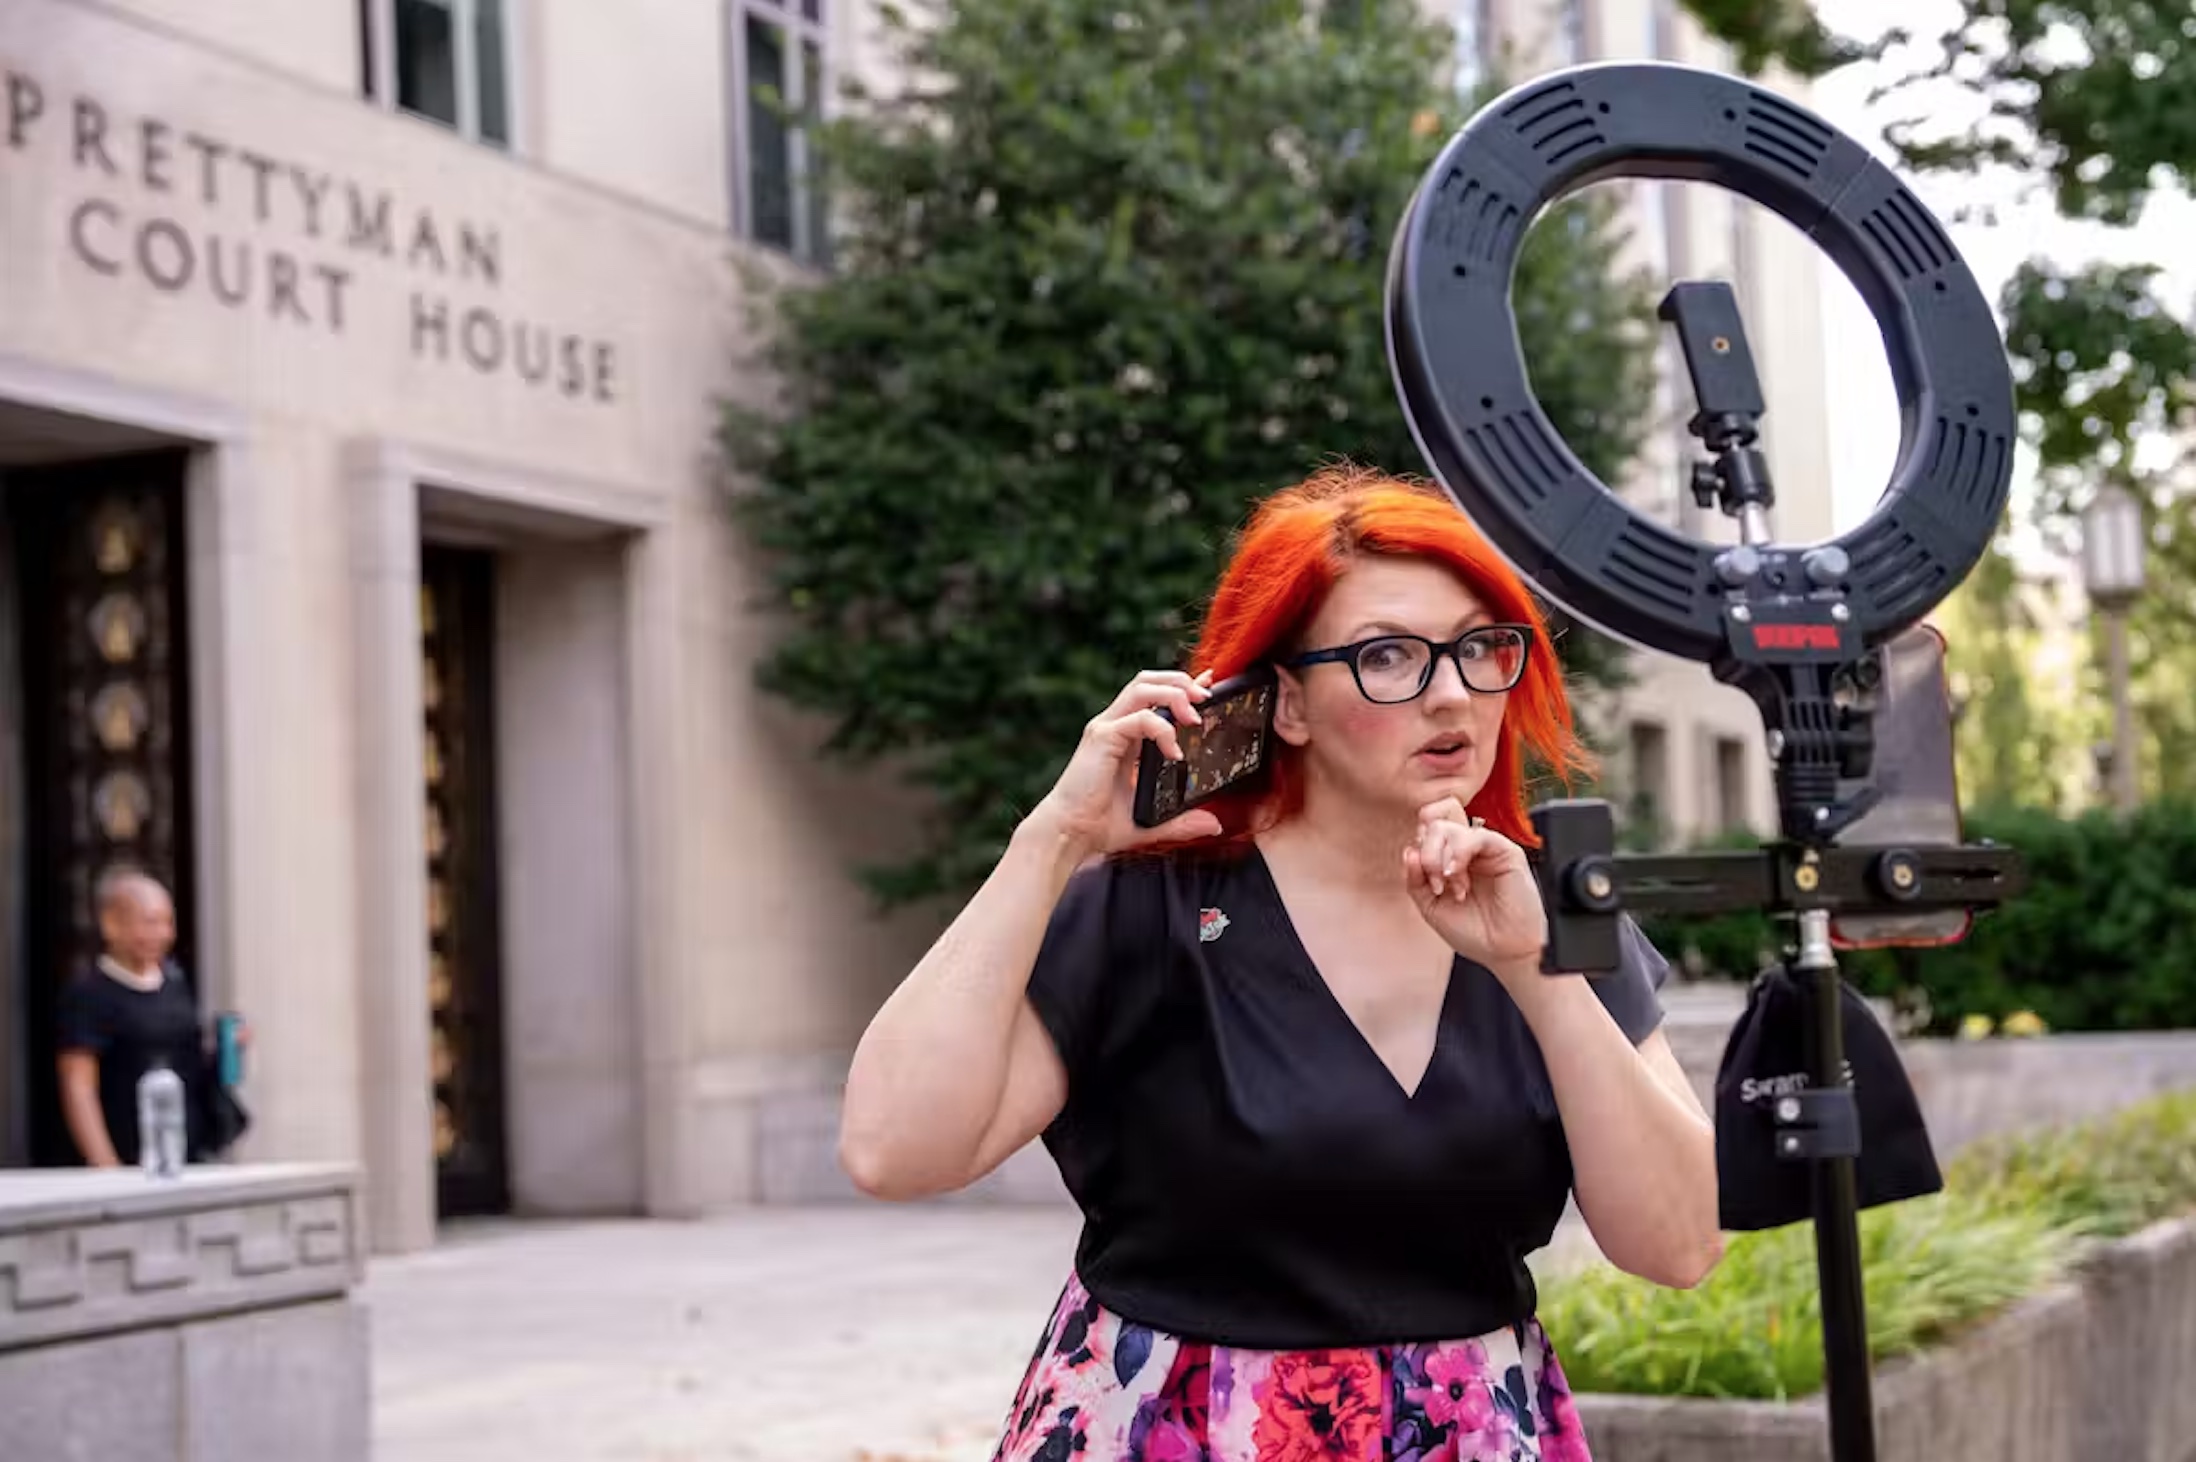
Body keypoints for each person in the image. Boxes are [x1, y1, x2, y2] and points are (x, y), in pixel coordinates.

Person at [840, 466, 1722, 1461]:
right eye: (1390, 656)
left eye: (1482, 649)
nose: (1453, 693)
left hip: (1465, 1430)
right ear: (1288, 704)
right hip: (1169, 1428)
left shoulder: (1548, 904)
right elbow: (893, 1150)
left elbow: (1680, 1246)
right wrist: (1054, 840)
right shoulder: (1154, 905)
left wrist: (1535, 969)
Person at [55, 867, 247, 1168]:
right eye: (149, 922)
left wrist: (226, 1049)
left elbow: (189, 1062)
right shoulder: (89, 994)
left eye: (167, 923)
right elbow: (78, 1085)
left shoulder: (175, 983)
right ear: (111, 924)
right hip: (128, 1155)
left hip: (184, 1154)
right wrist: (107, 1167)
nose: (162, 934)